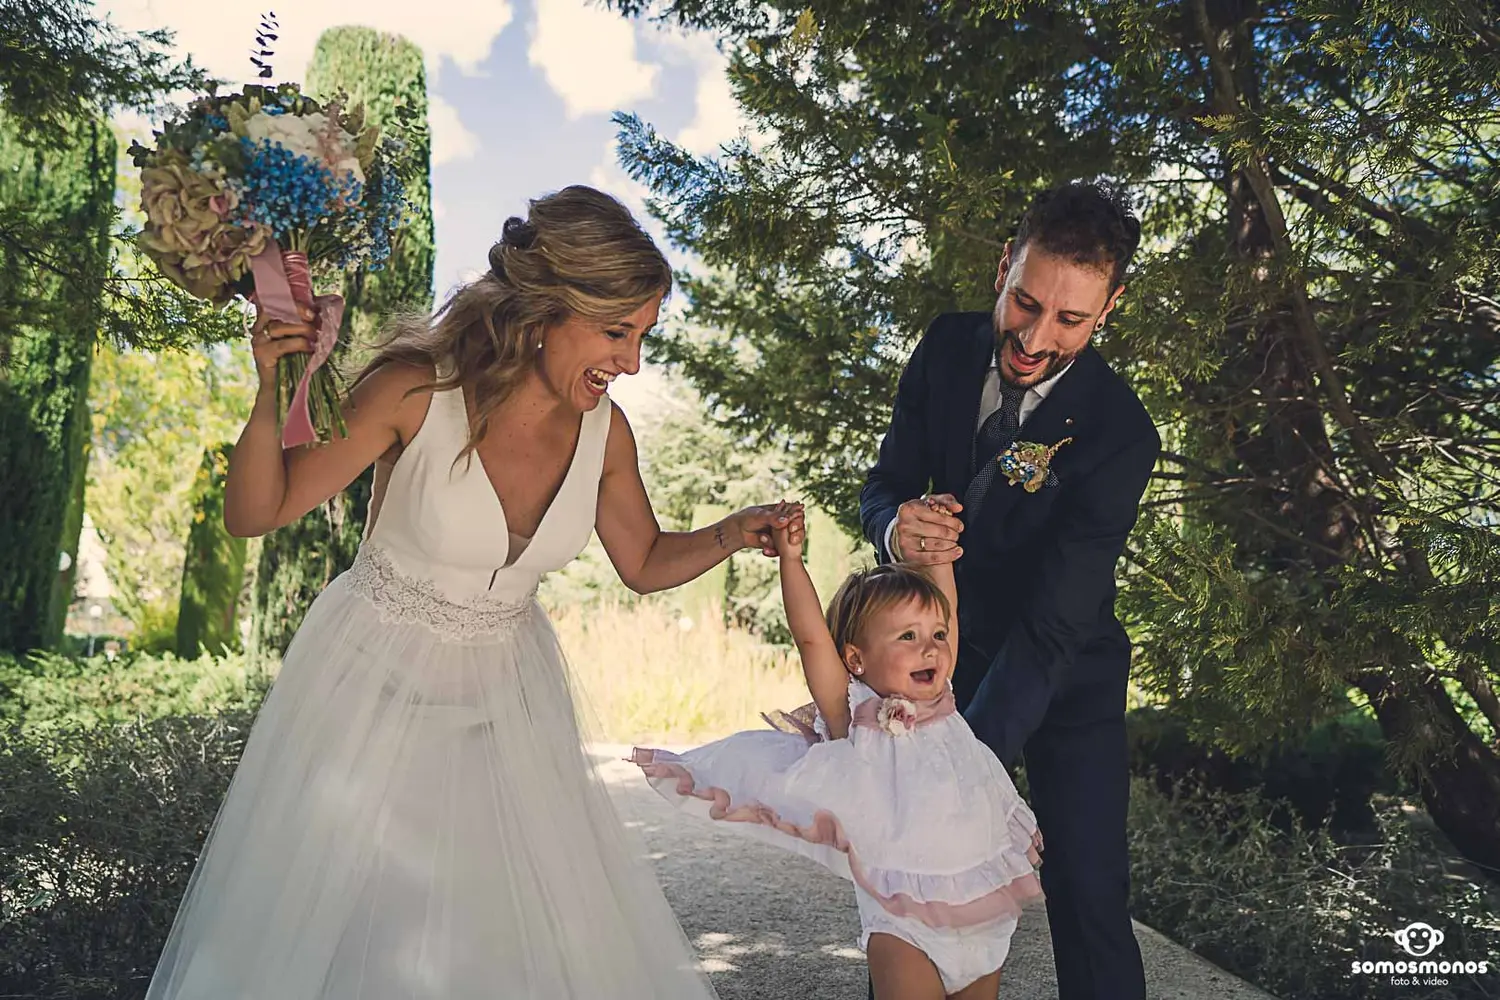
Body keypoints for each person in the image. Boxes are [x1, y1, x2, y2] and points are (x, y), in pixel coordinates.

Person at [145, 184, 799, 999]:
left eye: (643, 336)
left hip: (508, 705)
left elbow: (643, 561)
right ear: (546, 309)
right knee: (360, 941)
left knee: (500, 944)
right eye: (616, 331)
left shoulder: (607, 432)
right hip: (370, 695)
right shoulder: (415, 392)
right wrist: (270, 386)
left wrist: (735, 531)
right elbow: (257, 513)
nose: (631, 362)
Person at [859, 181, 1160, 1000]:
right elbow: (885, 484)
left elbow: (1055, 623)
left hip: (1067, 669)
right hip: (940, 660)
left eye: (1069, 320)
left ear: (1108, 310)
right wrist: (895, 531)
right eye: (1026, 303)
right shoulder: (945, 346)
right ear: (1004, 268)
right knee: (914, 877)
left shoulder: (1123, 433)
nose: (1034, 338)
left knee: (1089, 892)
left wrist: (966, 764)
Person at [632, 498, 1044, 1000]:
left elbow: (947, 609)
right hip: (903, 927)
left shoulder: (943, 698)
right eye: (907, 636)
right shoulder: (854, 716)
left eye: (937, 635)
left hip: (982, 914)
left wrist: (938, 553)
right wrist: (790, 561)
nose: (931, 648)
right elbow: (810, 638)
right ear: (855, 658)